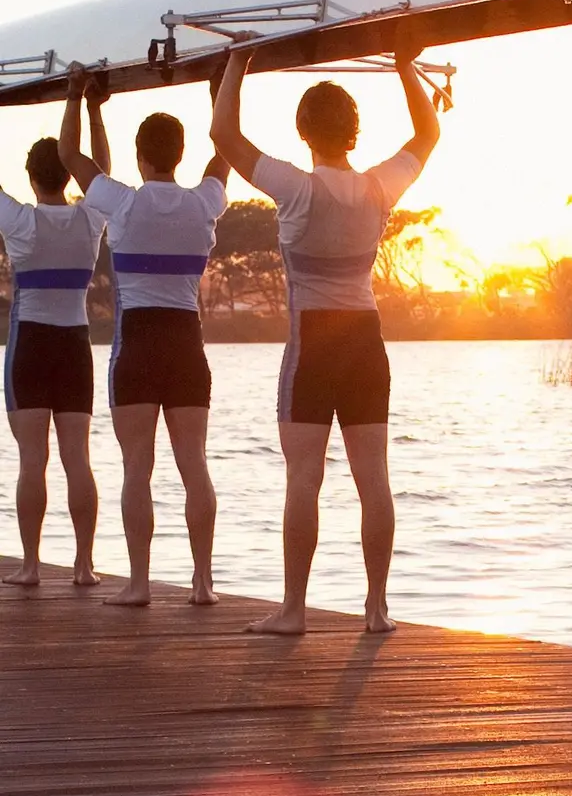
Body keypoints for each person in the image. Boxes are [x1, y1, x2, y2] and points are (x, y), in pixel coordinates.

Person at [210, 45, 441, 635]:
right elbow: (428, 133)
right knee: (374, 479)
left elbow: (225, 134)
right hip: (366, 343)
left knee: (303, 479)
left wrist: (237, 64)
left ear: (303, 132)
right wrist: (405, 67)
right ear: (354, 131)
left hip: (312, 343)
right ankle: (377, 608)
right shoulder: (378, 189)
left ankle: (293, 610)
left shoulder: (295, 187)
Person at [59, 66, 228, 607]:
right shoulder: (204, 202)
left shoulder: (123, 203)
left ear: (140, 156)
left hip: (137, 343)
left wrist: (78, 97)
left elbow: (69, 157)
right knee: (194, 464)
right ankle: (203, 582)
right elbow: (222, 153)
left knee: (138, 467)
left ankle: (138, 583)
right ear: (177, 155)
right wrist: (219, 90)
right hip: (186, 342)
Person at [0, 117, 109, 588]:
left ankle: (31, 565)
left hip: (31, 344)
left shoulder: (21, 221)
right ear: (68, 176)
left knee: (32, 459)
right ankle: (84, 567)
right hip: (74, 344)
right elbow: (101, 173)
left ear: (30, 178)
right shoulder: (89, 219)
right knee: (77, 458)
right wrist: (94, 114)